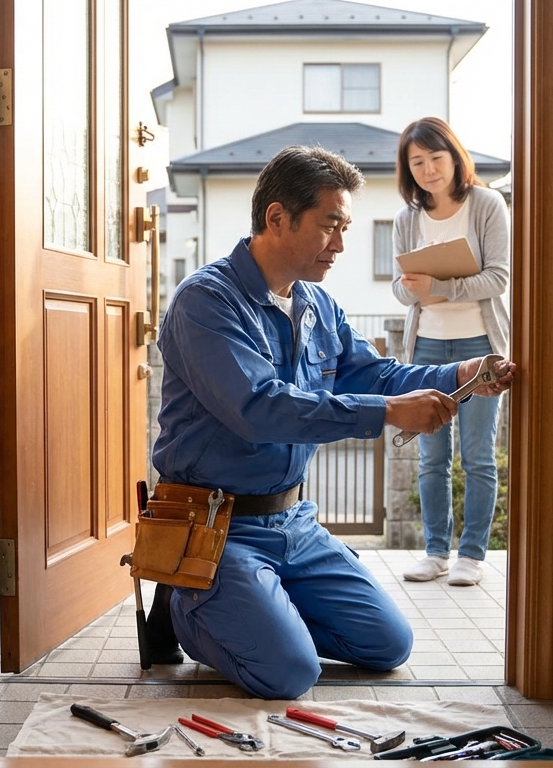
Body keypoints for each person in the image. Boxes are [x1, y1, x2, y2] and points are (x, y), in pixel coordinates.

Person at [147, 145, 514, 699]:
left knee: (388, 645)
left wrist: (460, 371)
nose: (341, 244)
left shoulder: (319, 304)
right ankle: (185, 603)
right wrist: (388, 413)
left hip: (293, 523)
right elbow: (260, 409)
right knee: (290, 674)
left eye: (345, 226)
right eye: (330, 226)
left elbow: (375, 373)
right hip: (217, 526)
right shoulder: (206, 301)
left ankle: (260, 612)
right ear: (277, 218)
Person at [390, 117, 512, 587]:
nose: (427, 169)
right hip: (425, 348)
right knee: (431, 457)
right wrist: (415, 289)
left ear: (454, 157)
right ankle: (436, 552)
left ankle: (472, 556)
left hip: (480, 345)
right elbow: (402, 294)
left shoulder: (486, 204)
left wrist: (439, 285)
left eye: (435, 158)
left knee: (478, 456)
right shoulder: (406, 219)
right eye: (416, 162)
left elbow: (498, 278)